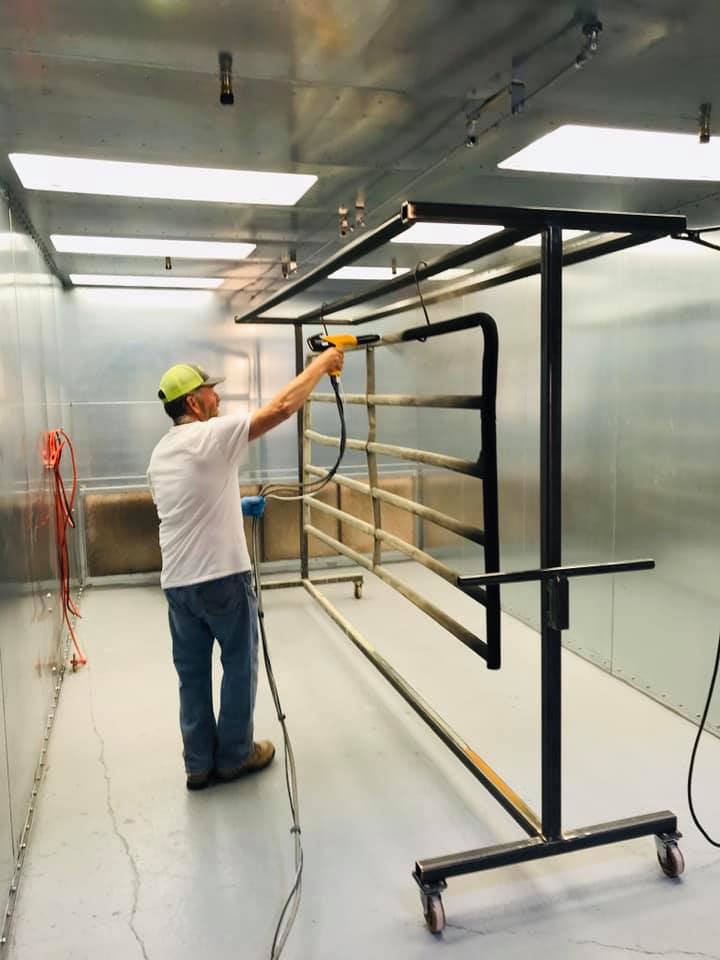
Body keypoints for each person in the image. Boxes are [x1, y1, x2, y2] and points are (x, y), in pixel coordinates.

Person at [147, 350, 344, 790]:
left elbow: (183, 507)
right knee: (239, 664)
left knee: (192, 675)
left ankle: (199, 764)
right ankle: (235, 755)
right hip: (222, 578)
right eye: (210, 391)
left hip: (178, 585)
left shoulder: (160, 454)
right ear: (194, 403)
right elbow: (282, 408)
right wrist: (322, 364)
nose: (217, 396)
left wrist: (231, 505)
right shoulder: (212, 434)